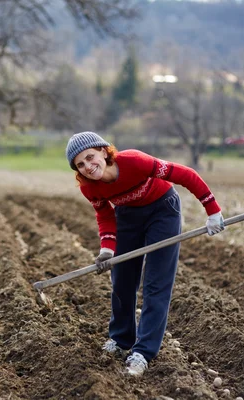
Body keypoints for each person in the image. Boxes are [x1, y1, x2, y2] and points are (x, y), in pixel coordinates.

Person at [65, 131, 225, 377]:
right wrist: (107, 250)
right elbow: (105, 215)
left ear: (104, 151)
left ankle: (143, 352)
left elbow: (186, 175)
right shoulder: (90, 188)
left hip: (163, 210)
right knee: (122, 280)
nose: (88, 166)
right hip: (127, 216)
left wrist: (212, 210)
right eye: (80, 164)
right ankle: (121, 340)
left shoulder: (134, 161)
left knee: (156, 282)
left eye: (90, 157)